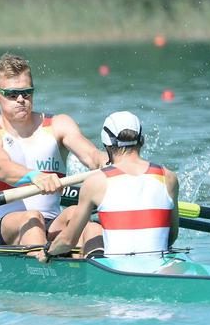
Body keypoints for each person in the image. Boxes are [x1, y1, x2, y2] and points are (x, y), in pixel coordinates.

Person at [0, 53, 107, 247]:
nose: (21, 99)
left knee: (83, 218)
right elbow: (1, 167)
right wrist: (35, 176)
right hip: (4, 224)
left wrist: (107, 162)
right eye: (11, 94)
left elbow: (92, 155)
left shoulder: (58, 124)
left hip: (51, 223)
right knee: (33, 220)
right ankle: (44, 272)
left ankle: (102, 270)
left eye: (27, 93)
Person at [38, 111, 178, 264]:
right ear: (141, 140)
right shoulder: (168, 177)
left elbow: (68, 241)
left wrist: (47, 251)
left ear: (107, 145)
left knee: (91, 231)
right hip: (159, 266)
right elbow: (172, 236)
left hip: (117, 271)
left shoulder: (95, 181)